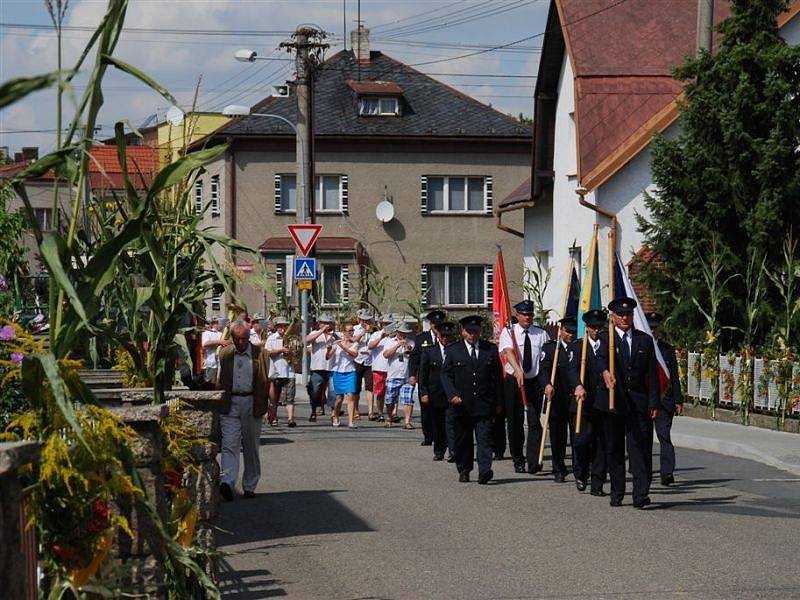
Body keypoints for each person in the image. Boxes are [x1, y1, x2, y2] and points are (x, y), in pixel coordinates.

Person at [596, 297, 660, 508]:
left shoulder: (644, 340)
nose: (625, 318)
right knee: (614, 449)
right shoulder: (606, 339)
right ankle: (617, 491)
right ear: (612, 317)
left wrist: (653, 403)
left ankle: (641, 494)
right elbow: (600, 361)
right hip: (615, 402)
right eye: (620, 314)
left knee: (639, 449)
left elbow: (652, 374)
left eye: (628, 314)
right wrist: (606, 373)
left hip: (638, 404)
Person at [441, 315, 503, 484]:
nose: (472, 335)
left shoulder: (489, 349)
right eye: (469, 332)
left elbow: (497, 377)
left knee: (484, 439)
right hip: (462, 404)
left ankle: (484, 470)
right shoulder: (453, 350)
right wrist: (452, 394)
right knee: (463, 439)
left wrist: (498, 402)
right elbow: (446, 375)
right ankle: (464, 469)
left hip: (484, 403)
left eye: (475, 332)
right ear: (463, 332)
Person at [216, 320, 270, 500]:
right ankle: (227, 482)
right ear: (232, 338)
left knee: (250, 446)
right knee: (229, 444)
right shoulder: (224, 354)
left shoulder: (260, 354)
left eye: (244, 339)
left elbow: (266, 380)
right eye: (237, 339)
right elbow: (219, 379)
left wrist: (270, 405)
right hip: (230, 402)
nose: (241, 343)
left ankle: (249, 485)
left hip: (252, 401)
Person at [498, 300, 550, 474]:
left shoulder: (541, 334)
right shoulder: (509, 331)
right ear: (518, 315)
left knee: (535, 422)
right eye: (523, 314)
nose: (527, 317)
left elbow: (545, 359)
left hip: (534, 381)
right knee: (515, 421)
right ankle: (518, 459)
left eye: (529, 314)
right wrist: (518, 370)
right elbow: (508, 351)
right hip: (514, 380)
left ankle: (533, 461)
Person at [569, 309, 608, 495]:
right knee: (582, 441)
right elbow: (571, 370)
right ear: (587, 327)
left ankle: (598, 483)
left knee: (602, 443)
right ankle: (581, 473)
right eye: (593, 327)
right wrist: (577, 385)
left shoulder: (608, 346)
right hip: (583, 402)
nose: (596, 330)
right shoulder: (578, 347)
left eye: (600, 327)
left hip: (603, 401)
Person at [538, 316, 578, 482]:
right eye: (567, 331)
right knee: (558, 437)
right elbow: (543, 370)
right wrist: (546, 385)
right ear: (560, 331)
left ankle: (579, 468)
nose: (570, 335)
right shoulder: (550, 349)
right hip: (557, 398)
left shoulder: (579, 348)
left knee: (578, 436)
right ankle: (559, 468)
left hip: (575, 399)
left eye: (573, 332)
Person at [646, 311, 683, 486]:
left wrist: (678, 399)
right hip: (645, 400)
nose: (653, 331)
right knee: (642, 437)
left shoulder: (667, 350)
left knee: (664, 436)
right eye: (650, 327)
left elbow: (674, 376)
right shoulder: (641, 346)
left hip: (663, 401)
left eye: (655, 328)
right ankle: (641, 470)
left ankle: (667, 473)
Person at [409, 309, 447, 447]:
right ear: (430, 324)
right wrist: (412, 374)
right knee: (426, 409)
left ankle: (443, 436)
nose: (437, 327)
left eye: (439, 324)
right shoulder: (421, 338)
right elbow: (414, 358)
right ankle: (428, 436)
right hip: (426, 378)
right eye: (434, 324)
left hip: (443, 380)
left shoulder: (447, 337)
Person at [418, 320, 456, 461]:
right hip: (435, 393)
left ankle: (453, 451)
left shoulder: (456, 349)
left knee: (451, 423)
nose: (445, 339)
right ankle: (439, 450)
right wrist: (423, 393)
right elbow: (423, 374)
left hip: (451, 393)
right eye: (443, 336)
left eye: (448, 336)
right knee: (437, 424)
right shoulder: (429, 351)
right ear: (438, 335)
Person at [326, 320, 361, 428]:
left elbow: (354, 354)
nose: (351, 332)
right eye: (349, 330)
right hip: (338, 372)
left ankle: (351, 421)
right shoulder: (337, 343)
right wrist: (329, 349)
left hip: (350, 371)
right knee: (339, 398)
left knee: (351, 395)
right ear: (344, 332)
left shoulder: (355, 343)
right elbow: (327, 357)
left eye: (352, 330)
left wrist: (343, 346)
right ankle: (335, 415)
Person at [382, 321, 416, 428]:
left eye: (404, 333)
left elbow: (412, 356)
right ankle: (389, 417)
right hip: (393, 375)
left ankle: (407, 422)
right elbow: (386, 355)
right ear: (397, 331)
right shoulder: (390, 341)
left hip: (406, 375)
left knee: (408, 399)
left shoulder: (411, 342)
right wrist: (397, 345)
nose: (403, 335)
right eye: (401, 332)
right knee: (390, 399)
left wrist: (407, 348)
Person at [266, 315, 296, 427]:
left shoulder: (292, 338)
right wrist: (280, 350)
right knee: (274, 398)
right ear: (277, 327)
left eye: (285, 326)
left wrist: (295, 351)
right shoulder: (271, 338)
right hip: (276, 370)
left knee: (290, 396)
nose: (283, 328)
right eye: (280, 326)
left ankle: (290, 419)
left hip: (290, 370)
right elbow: (267, 353)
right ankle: (273, 417)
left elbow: (297, 353)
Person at [306, 313, 335, 422]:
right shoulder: (315, 333)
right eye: (324, 323)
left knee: (333, 392)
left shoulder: (334, 335)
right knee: (315, 391)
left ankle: (333, 414)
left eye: (329, 323)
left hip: (332, 367)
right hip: (317, 367)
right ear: (320, 324)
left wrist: (334, 334)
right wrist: (322, 331)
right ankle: (314, 411)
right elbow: (307, 340)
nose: (327, 325)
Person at [368, 313, 395, 422]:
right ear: (381, 324)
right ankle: (380, 412)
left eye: (389, 324)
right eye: (385, 324)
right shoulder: (376, 334)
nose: (387, 326)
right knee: (380, 392)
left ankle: (393, 413)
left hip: (392, 368)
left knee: (393, 392)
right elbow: (370, 346)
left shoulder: (395, 336)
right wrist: (380, 337)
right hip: (379, 368)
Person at [353, 308, 376, 419]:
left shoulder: (374, 330)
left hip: (369, 361)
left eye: (367, 320)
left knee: (370, 387)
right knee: (356, 387)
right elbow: (354, 340)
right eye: (363, 320)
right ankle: (356, 410)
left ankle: (370, 411)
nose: (365, 322)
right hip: (357, 359)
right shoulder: (355, 329)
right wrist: (364, 332)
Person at [202, 316, 228, 385]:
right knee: (210, 384)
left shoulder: (221, 334)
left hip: (221, 363)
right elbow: (205, 343)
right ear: (214, 323)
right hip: (211, 362)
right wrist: (219, 342)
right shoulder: (207, 333)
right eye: (219, 323)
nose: (221, 325)